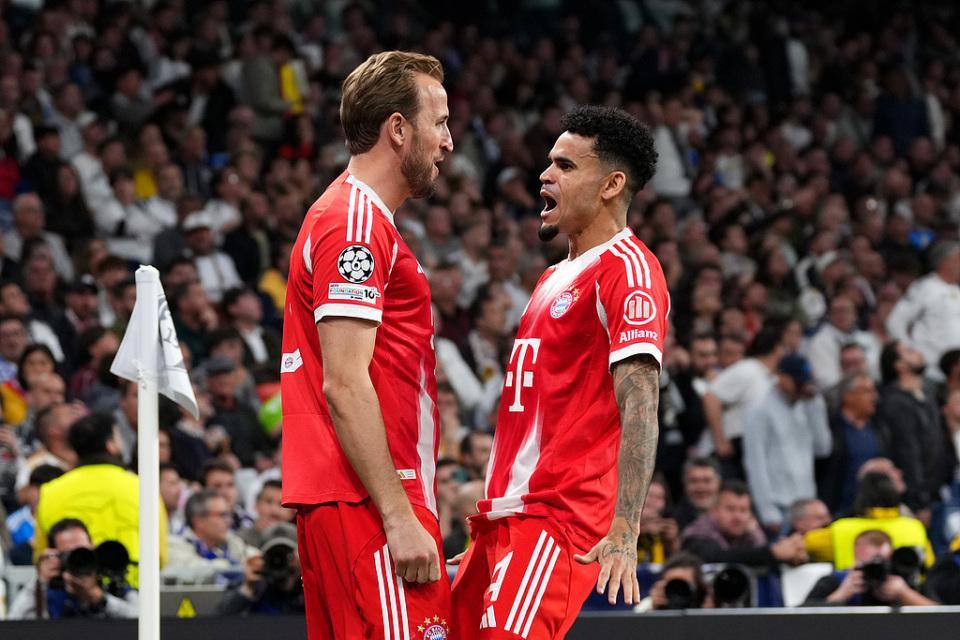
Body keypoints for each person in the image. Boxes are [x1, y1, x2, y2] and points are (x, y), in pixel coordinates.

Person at [450, 105, 666, 639]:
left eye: (566, 166)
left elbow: (641, 401)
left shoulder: (629, 271)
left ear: (612, 185)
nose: (545, 175)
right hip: (505, 520)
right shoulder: (553, 276)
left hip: (557, 520)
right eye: (550, 162)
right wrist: (495, 523)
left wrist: (626, 526)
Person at [279, 51, 454, 639]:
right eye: (439, 122)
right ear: (398, 129)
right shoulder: (353, 223)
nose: (448, 142)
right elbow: (345, 383)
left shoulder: (353, 215)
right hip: (367, 503)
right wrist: (399, 515)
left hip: (356, 499)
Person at [34, 413, 168, 588]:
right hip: (134, 593)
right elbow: (160, 556)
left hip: (70, 592)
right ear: (110, 444)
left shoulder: (51, 491)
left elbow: (41, 557)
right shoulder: (143, 488)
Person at [743, 354, 832, 532]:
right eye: (798, 382)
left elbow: (823, 448)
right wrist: (767, 510)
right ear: (781, 377)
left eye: (805, 382)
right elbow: (755, 462)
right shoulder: (760, 409)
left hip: (807, 504)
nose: (803, 387)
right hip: (779, 505)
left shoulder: (808, 405)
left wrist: (815, 406)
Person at [697, 323, 785, 479]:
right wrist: (720, 440)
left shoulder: (771, 377)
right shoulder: (748, 369)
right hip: (723, 453)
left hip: (746, 450)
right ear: (778, 349)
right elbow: (711, 397)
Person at [875, 340, 951, 519]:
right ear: (899, 366)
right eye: (908, 351)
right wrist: (920, 501)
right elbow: (908, 453)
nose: (917, 352)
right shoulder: (896, 402)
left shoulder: (926, 395)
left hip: (937, 491)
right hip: (919, 499)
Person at [8, 517, 139, 619]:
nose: (79, 558)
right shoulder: (50, 591)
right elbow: (14, 623)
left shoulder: (110, 581)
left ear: (93, 548)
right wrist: (39, 583)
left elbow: (143, 622)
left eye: (83, 551)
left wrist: (99, 598)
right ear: (56, 556)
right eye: (69, 554)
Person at [681, 481, 808, 569]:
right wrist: (772, 553)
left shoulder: (752, 533)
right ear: (714, 510)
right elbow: (717, 557)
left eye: (743, 510)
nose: (738, 517)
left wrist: (791, 555)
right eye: (730, 509)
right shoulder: (696, 535)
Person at [886, 241, 960, 381]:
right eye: (958, 259)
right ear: (945, 262)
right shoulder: (924, 287)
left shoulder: (956, 290)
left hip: (955, 374)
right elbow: (896, 321)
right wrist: (910, 352)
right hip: (930, 372)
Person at [802, 529, 935, 606]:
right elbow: (798, 616)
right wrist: (840, 595)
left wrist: (905, 595)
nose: (876, 570)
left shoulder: (902, 582)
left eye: (882, 563)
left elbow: (942, 616)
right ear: (855, 561)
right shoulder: (837, 581)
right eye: (869, 565)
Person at [822, 372, 887, 514]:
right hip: (838, 509)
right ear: (848, 396)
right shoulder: (831, 427)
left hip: (871, 511)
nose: (875, 397)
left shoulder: (879, 428)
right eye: (868, 391)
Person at [217, 522, 305, 615]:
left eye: (288, 555)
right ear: (262, 556)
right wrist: (248, 588)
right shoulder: (254, 582)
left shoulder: (308, 585)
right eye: (273, 555)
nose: (278, 560)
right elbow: (220, 619)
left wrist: (303, 575)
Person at [168, 490, 249, 572]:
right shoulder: (175, 544)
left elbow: (249, 556)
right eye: (222, 515)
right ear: (199, 521)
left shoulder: (230, 540)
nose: (229, 521)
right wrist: (236, 566)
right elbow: (196, 570)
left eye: (228, 515)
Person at [634, 551, 711, 612]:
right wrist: (652, 607)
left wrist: (708, 607)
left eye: (683, 586)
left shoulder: (707, 602)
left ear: (698, 586)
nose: (679, 592)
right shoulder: (652, 605)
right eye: (674, 585)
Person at [672, 458, 722, 530]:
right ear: (685, 485)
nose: (701, 488)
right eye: (694, 481)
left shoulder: (733, 520)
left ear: (719, 483)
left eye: (707, 481)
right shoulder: (674, 523)